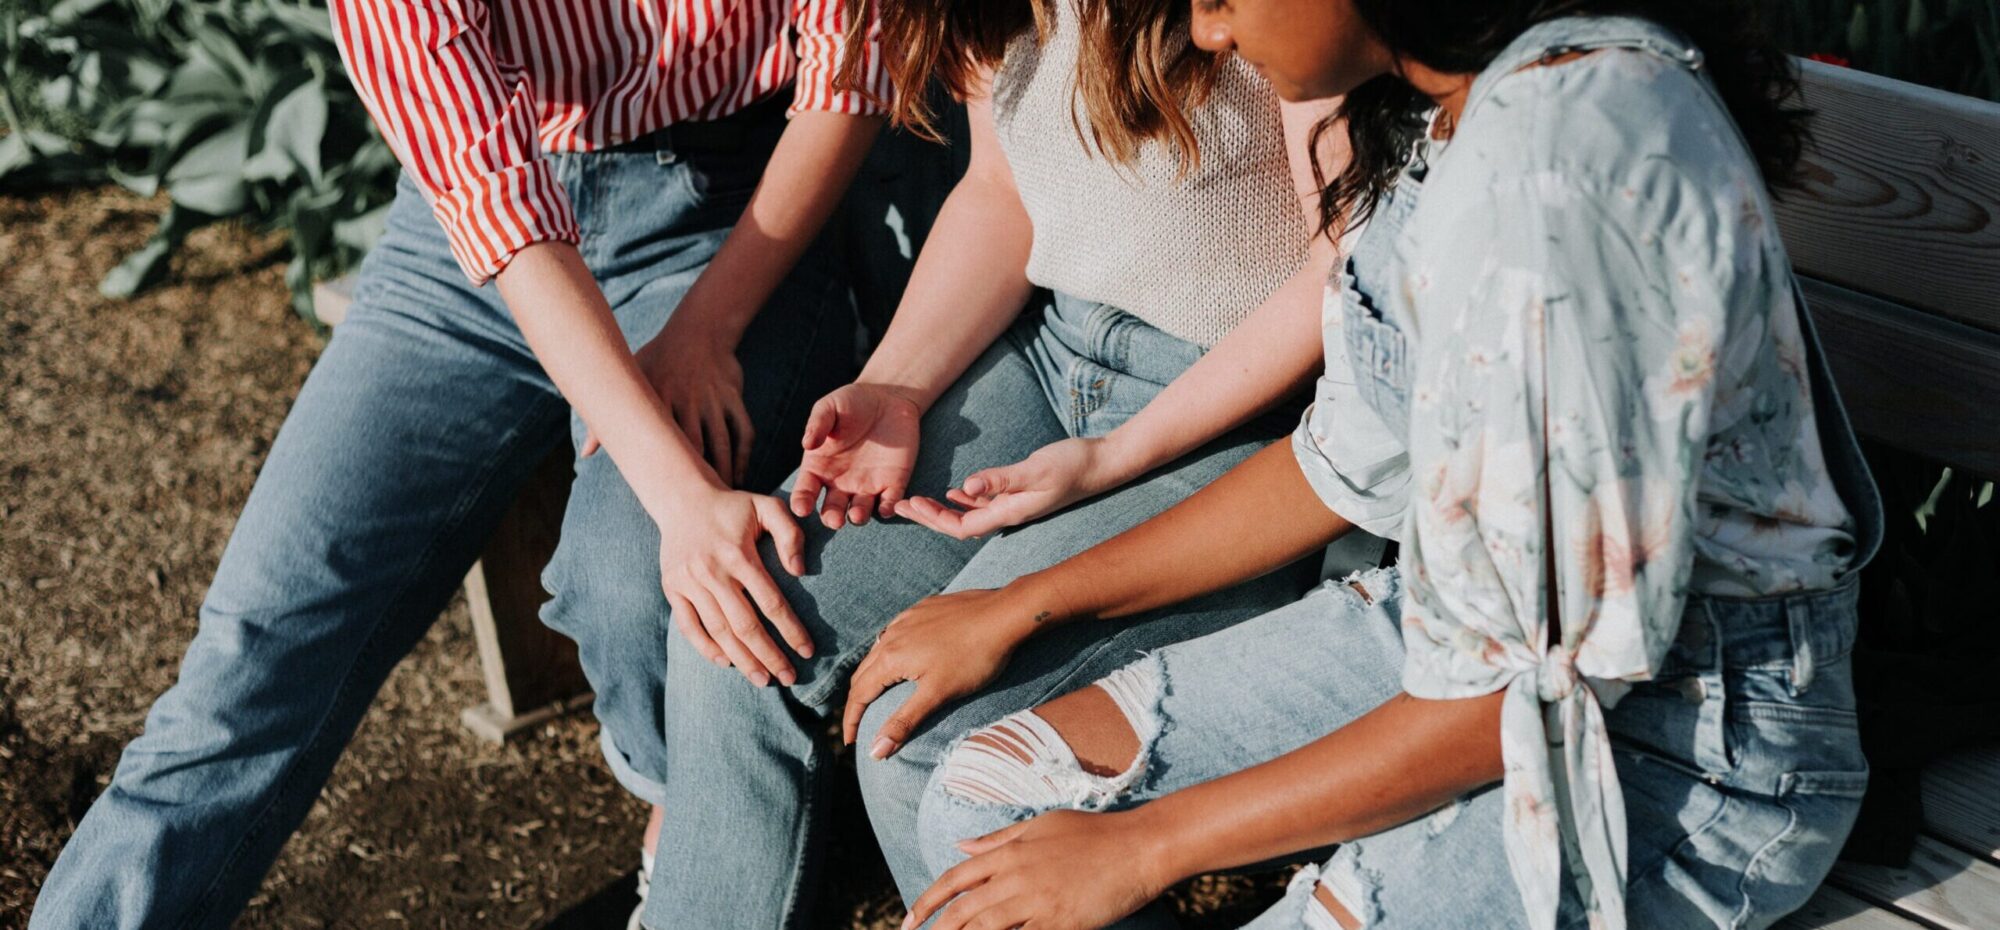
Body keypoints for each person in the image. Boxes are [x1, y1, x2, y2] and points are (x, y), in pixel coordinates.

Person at [857, 1, 1887, 929]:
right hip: (1442, 635)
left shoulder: (1559, 174)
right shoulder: (1425, 115)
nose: (1209, 35)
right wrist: (1023, 604)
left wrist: (1142, 848)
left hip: (1680, 750)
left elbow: (1515, 703)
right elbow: (1335, 462)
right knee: (980, 794)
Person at [28, 3, 890, 928]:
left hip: (726, 216)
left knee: (631, 580)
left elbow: (853, 68)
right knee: (261, 639)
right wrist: (680, 492)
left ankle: (689, 814)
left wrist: (709, 329)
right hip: (465, 239)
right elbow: (499, 211)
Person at [534, 0, 1380, 924]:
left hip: (1235, 414)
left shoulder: (1255, 19)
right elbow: (1000, 193)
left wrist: (1108, 457)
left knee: (921, 728)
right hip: (1051, 354)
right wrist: (896, 385)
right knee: (740, 630)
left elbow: (1336, 278)